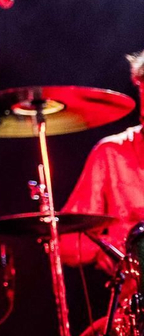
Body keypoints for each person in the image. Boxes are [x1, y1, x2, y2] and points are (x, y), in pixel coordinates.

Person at [60, 49, 144, 271]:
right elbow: (67, 242)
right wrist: (108, 248)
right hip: (135, 298)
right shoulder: (111, 153)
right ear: (140, 88)